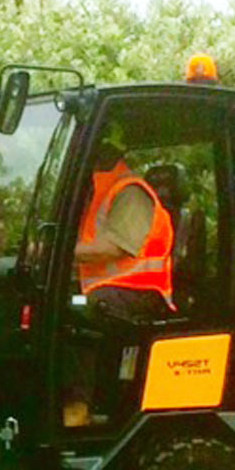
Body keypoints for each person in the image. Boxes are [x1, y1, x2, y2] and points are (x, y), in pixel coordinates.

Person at [63, 128, 175, 428]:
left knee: (76, 310)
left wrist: (58, 252)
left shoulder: (131, 192)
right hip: (110, 292)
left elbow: (111, 248)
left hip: (143, 294)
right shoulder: (99, 192)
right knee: (50, 300)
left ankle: (76, 408)